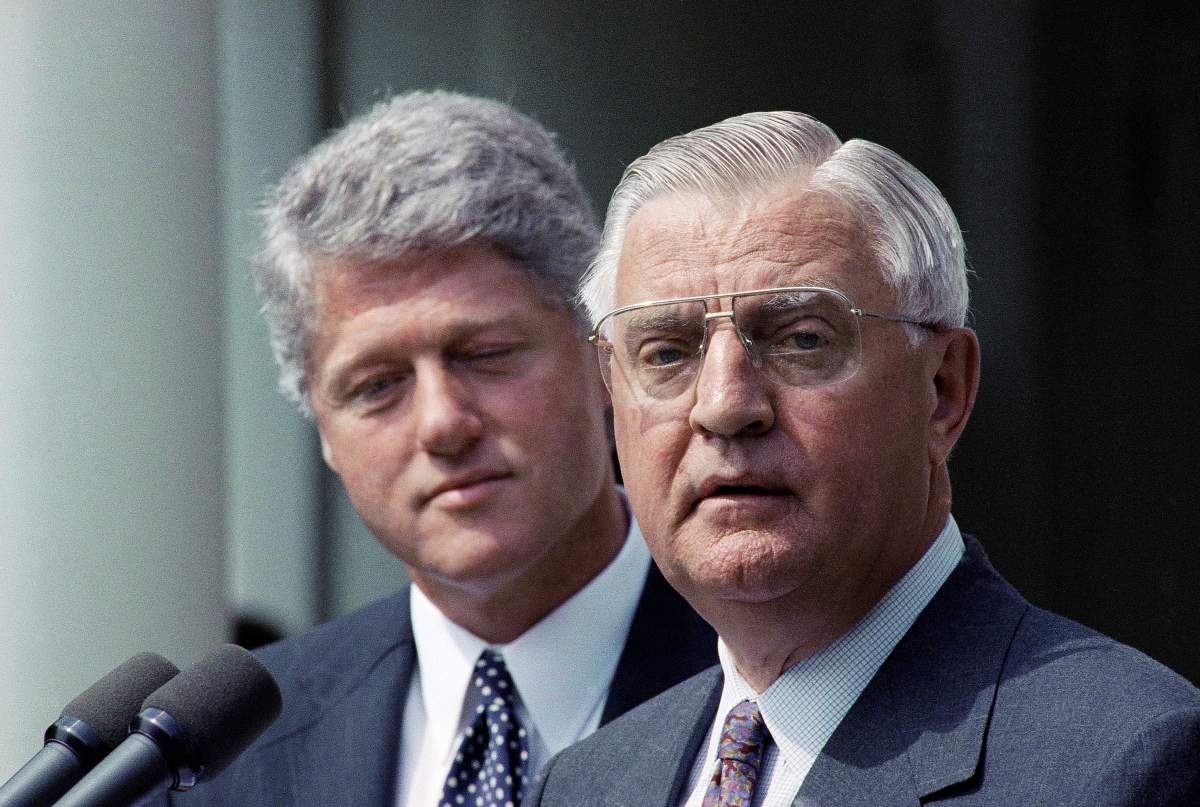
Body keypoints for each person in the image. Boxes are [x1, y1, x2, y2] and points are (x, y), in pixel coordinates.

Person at [528, 111, 1200, 806]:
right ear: (612, 393)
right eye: (666, 352)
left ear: (942, 391)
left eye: (801, 339)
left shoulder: (1123, 764)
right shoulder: (583, 784)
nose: (725, 405)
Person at [171, 91, 715, 806]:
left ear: (603, 356)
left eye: (485, 353)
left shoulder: (773, 674)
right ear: (324, 432)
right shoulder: (228, 757)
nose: (442, 423)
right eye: (377, 385)